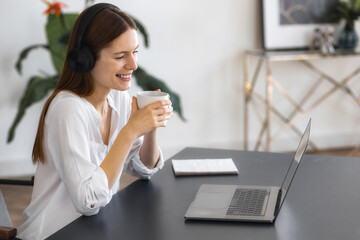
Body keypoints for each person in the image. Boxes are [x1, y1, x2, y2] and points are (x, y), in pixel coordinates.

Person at [18, 3, 173, 239]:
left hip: (99, 227)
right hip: (56, 231)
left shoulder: (118, 97)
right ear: (86, 59)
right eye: (121, 56)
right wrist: (131, 130)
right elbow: (88, 201)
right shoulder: (68, 109)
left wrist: (150, 125)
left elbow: (143, 169)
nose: (133, 65)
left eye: (135, 52)